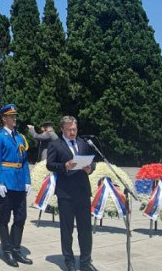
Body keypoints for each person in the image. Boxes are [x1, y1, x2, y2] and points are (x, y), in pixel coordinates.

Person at [46, 116, 97, 271]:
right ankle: (68, 260)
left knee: (85, 229)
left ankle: (85, 261)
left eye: (74, 129)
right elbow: (50, 164)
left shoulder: (83, 143)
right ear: (62, 129)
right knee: (67, 229)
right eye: (69, 130)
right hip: (66, 193)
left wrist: (91, 168)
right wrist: (65, 166)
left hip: (82, 191)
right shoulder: (55, 144)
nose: (72, 132)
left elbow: (92, 161)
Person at [0, 104, 32, 267]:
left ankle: (16, 249)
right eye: (11, 116)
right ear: (4, 118)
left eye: (15, 116)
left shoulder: (20, 137)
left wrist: (27, 180)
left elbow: (24, 161)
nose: (14, 119)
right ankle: (7, 251)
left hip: (19, 182)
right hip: (6, 182)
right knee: (3, 218)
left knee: (21, 217)